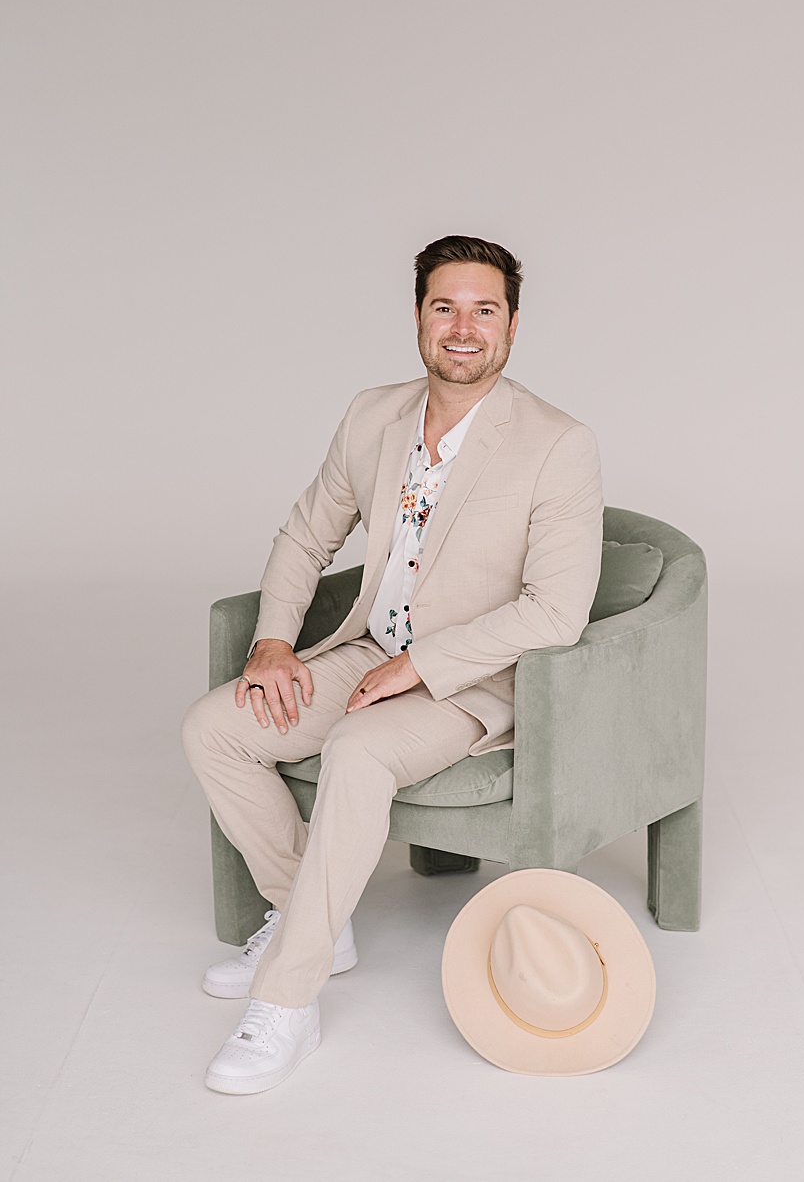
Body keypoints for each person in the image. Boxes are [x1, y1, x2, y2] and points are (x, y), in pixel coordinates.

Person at [181, 235, 604, 1095]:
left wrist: (421, 666)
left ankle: (287, 1002)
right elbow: (306, 535)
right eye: (445, 307)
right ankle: (311, 919)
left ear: (512, 327)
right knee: (214, 729)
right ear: (417, 317)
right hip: (368, 650)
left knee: (359, 748)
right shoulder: (372, 416)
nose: (463, 328)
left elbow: (555, 612)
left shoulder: (558, 443)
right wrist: (272, 641)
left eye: (484, 310)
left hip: (470, 679)